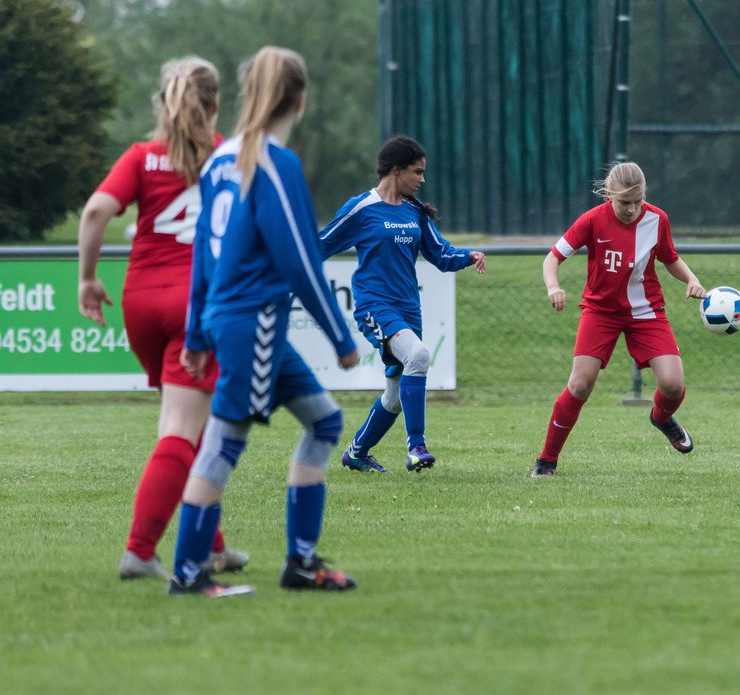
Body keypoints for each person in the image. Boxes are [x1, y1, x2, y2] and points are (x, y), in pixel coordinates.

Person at [169, 46, 360, 597]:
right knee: (225, 440)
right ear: (299, 100)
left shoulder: (220, 159)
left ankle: (300, 564)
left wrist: (197, 332)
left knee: (325, 423)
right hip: (255, 325)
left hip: (240, 323)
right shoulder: (275, 163)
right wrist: (340, 335)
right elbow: (298, 259)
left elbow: (204, 254)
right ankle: (188, 573)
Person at [77, 56, 249, 581]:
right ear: (216, 105)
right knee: (181, 427)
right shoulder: (229, 157)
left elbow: (95, 212)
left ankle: (213, 544)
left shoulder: (142, 157)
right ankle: (140, 550)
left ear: (162, 103)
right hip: (196, 306)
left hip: (141, 304)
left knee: (186, 424)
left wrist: (87, 279)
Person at [319, 135, 486, 474]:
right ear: (396, 170)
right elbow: (318, 246)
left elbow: (440, 254)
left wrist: (467, 255)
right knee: (420, 355)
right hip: (373, 306)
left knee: (394, 399)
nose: (422, 179)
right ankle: (416, 447)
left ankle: (356, 452)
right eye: (417, 172)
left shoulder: (415, 212)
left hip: (409, 309)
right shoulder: (361, 208)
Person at [532, 161, 707, 478]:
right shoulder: (592, 220)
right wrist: (553, 286)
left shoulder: (657, 220)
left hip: (646, 311)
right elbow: (552, 258)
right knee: (581, 384)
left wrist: (692, 280)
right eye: (624, 202)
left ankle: (661, 418)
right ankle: (547, 460)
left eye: (637, 202)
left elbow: (671, 258)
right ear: (609, 195)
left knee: (672, 384)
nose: (631, 209)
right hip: (601, 311)